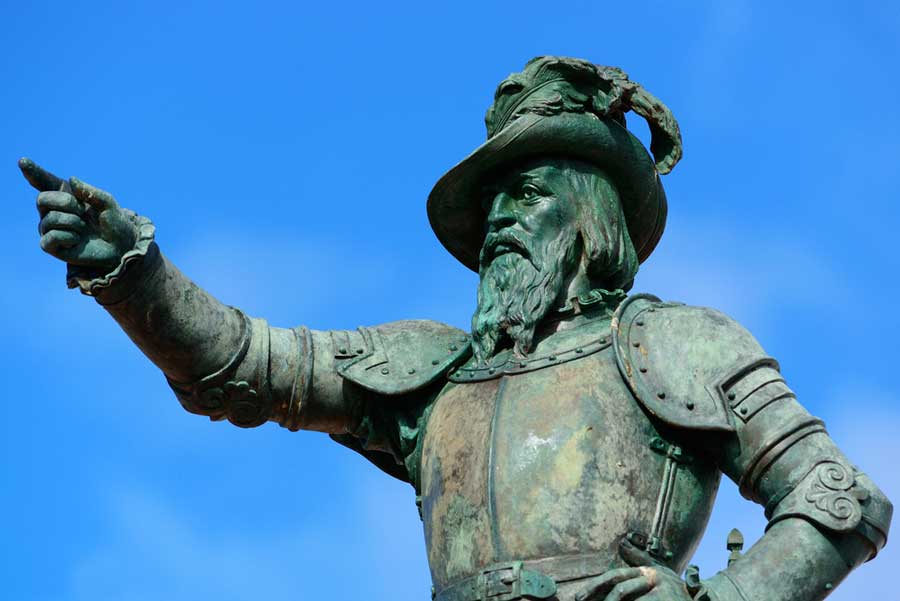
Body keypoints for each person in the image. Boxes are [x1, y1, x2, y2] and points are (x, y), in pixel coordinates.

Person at [20, 56, 891, 601]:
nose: (501, 220)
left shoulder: (682, 345)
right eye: (493, 203)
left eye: (528, 195)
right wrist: (136, 273)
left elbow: (839, 498)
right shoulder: (432, 371)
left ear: (590, 220)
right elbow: (244, 366)